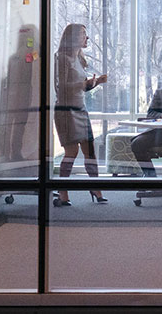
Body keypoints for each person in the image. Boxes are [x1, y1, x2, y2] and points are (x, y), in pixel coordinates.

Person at [53, 23, 108, 205]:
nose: (87, 38)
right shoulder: (62, 58)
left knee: (89, 151)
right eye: (83, 34)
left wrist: (95, 83)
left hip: (80, 109)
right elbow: (61, 88)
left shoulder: (79, 58)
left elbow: (79, 88)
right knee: (72, 151)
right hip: (66, 110)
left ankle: (95, 188)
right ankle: (63, 192)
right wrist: (84, 84)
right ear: (73, 37)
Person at [0, 25, 40, 164]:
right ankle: (13, 153)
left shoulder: (15, 57)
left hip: (15, 92)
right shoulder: (28, 56)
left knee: (14, 124)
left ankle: (11, 152)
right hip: (20, 93)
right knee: (17, 124)